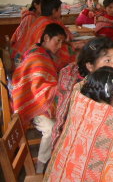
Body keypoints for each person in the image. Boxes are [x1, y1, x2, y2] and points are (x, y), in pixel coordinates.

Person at [12, 23, 67, 173]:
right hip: (33, 105)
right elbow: (39, 90)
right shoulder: (38, 57)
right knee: (52, 128)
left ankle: (58, 158)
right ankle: (41, 167)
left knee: (64, 119)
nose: (60, 46)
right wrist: (60, 88)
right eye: (58, 41)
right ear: (47, 38)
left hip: (36, 100)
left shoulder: (40, 52)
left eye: (62, 42)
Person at [52, 37, 113, 148]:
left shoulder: (97, 81)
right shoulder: (84, 92)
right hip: (76, 146)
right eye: (107, 60)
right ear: (90, 66)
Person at [13, 0, 75, 70]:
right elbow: (50, 45)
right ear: (54, 11)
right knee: (69, 53)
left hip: (24, 57)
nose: (61, 12)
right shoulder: (47, 24)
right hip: (29, 61)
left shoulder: (40, 20)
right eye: (59, 9)